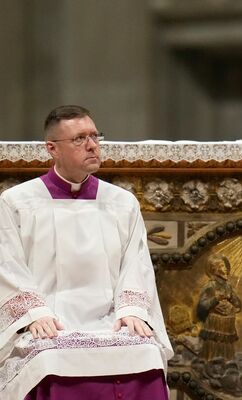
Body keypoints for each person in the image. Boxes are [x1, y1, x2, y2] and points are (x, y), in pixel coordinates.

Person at [0, 105, 173, 399]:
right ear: (52, 148)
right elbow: (7, 264)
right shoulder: (17, 202)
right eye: (79, 139)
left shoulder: (121, 202)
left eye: (95, 136)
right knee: (49, 359)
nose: (92, 145)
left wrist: (131, 310)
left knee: (146, 352)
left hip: (110, 320)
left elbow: (136, 263)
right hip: (49, 321)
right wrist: (34, 314)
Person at [196, 253, 242, 360]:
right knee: (214, 347)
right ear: (214, 269)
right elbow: (202, 306)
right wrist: (215, 299)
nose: (225, 268)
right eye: (222, 266)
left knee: (226, 349)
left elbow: (238, 304)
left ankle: (228, 363)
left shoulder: (228, 286)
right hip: (214, 324)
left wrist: (232, 301)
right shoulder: (210, 286)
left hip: (227, 324)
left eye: (225, 266)